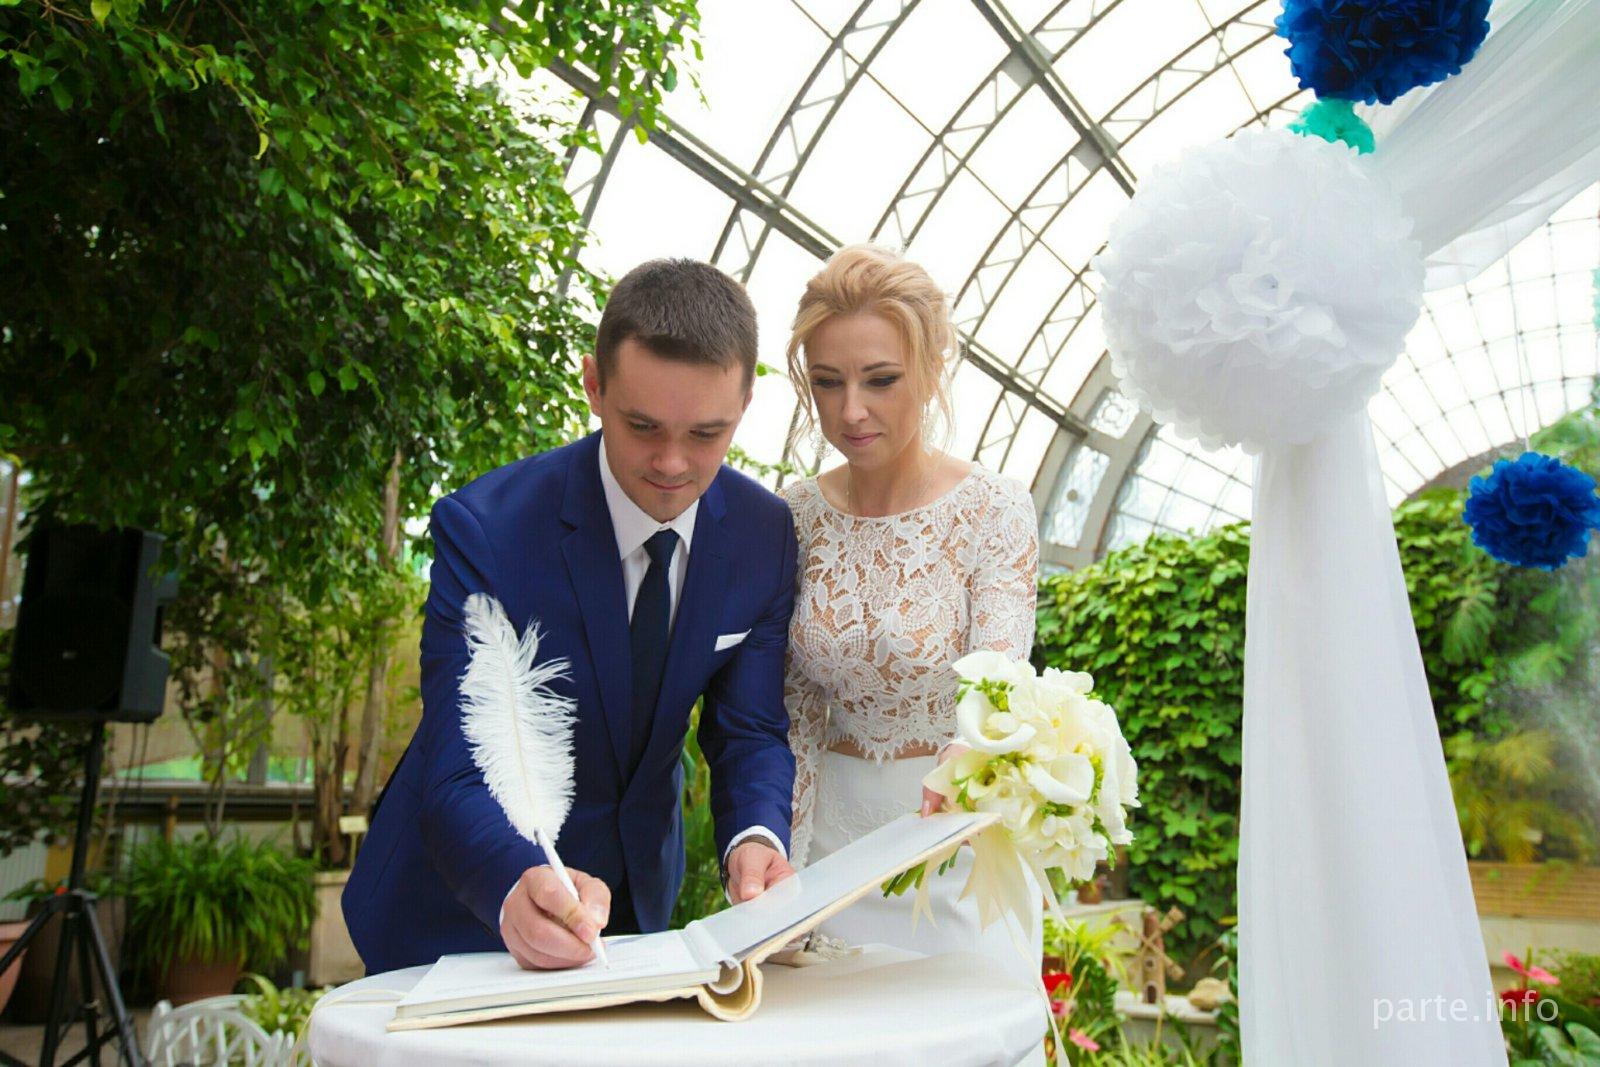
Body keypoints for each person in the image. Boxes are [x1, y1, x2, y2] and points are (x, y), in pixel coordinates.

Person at [345, 259, 798, 974]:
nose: (672, 463)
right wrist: (511, 881)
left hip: (634, 921)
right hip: (457, 917)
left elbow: (749, 730)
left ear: (744, 404)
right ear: (594, 385)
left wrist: (756, 839)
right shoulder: (487, 530)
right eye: (642, 426)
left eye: (706, 433)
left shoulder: (761, 534)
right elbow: (459, 761)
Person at [780, 244, 1043, 981]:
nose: (850, 410)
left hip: (953, 850)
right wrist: (784, 874)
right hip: (829, 859)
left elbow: (1000, 687)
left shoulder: (993, 508)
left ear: (931, 368)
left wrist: (969, 765)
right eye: (827, 382)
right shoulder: (794, 515)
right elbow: (793, 713)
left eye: (881, 379)